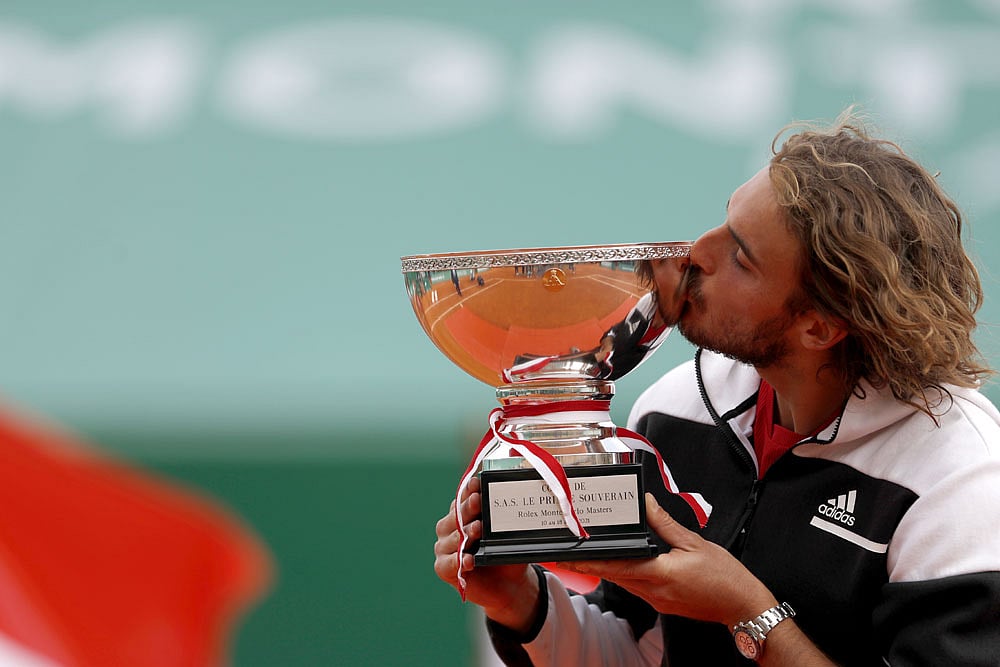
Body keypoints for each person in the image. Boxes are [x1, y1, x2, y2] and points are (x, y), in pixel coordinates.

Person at [432, 110, 1000, 666]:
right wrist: (522, 603)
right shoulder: (676, 409)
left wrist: (748, 611)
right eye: (724, 220)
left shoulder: (958, 479)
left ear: (819, 326)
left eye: (741, 257)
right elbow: (638, 652)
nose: (696, 252)